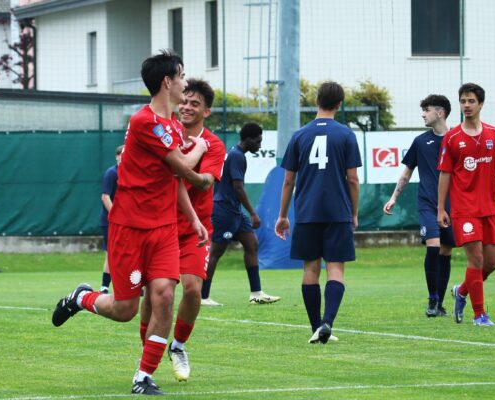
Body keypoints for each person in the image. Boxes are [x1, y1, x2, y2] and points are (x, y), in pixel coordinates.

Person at [51, 50, 210, 396]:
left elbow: (173, 179)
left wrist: (194, 219)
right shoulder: (145, 122)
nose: (185, 82)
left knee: (165, 295)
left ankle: (143, 375)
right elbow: (184, 167)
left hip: (164, 229)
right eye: (181, 75)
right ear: (167, 82)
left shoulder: (171, 126)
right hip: (130, 229)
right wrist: (201, 147)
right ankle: (81, 298)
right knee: (125, 309)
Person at [140, 78, 226, 382]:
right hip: (158, 226)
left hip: (195, 229)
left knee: (193, 288)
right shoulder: (165, 133)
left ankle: (177, 345)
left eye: (195, 104)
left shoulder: (213, 144)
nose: (188, 107)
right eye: (185, 101)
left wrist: (189, 166)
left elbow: (206, 181)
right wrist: (186, 162)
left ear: (207, 111)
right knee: (153, 295)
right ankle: (146, 356)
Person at [275, 81, 361, 344]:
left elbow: (288, 180)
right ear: (339, 104)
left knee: (310, 269)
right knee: (336, 270)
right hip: (337, 212)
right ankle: (327, 323)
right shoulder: (346, 135)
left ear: (316, 102)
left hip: (307, 212)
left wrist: (282, 215)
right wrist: (353, 213)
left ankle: (316, 327)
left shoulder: (299, 135)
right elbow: (353, 180)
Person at [438, 83, 495, 327]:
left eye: (471, 101)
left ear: (481, 104)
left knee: (492, 263)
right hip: (464, 210)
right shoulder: (452, 138)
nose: (466, 105)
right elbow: (445, 174)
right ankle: (479, 315)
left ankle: (462, 291)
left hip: (490, 209)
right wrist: (441, 208)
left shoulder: (493, 134)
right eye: (463, 101)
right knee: (477, 260)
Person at [383, 95, 454, 317]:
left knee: (445, 251)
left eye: (427, 110)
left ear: (440, 113)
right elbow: (407, 173)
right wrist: (394, 197)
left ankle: (440, 303)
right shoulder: (421, 141)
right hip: (427, 204)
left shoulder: (457, 139)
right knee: (433, 246)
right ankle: (432, 300)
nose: (423, 114)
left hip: (454, 205)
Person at [201, 123, 281, 306]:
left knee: (252, 243)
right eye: (258, 142)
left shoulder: (234, 152)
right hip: (225, 210)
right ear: (249, 139)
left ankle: (256, 293)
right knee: (216, 251)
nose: (259, 146)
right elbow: (238, 187)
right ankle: (202, 296)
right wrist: (253, 213)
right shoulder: (237, 156)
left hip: (234, 210)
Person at [98, 145, 124, 294]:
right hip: (110, 221)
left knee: (128, 253)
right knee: (112, 252)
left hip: (127, 222)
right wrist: (116, 215)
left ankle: (132, 285)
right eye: (121, 154)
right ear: (116, 156)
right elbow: (105, 196)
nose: (123, 157)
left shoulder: (132, 172)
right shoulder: (112, 173)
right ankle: (104, 287)